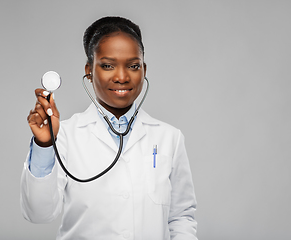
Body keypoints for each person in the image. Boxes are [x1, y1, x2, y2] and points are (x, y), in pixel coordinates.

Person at [21, 16, 198, 240]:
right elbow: (39, 214)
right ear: (89, 70)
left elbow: (181, 217)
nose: (122, 77)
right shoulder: (65, 135)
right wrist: (45, 144)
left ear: (144, 69)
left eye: (133, 66)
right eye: (107, 66)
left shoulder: (169, 138)